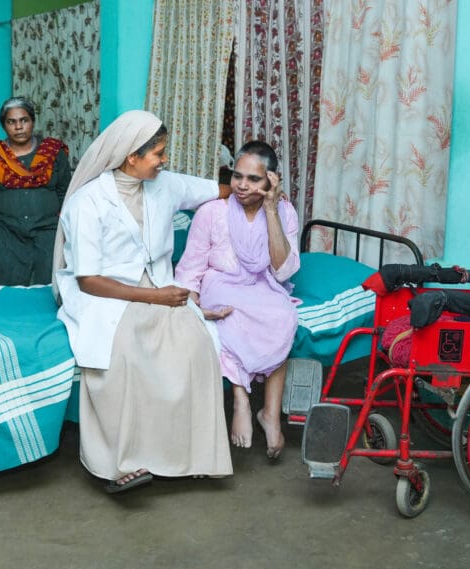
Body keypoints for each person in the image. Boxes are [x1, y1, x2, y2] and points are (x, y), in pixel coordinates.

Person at [54, 110, 234, 493]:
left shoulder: (163, 184)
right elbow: (88, 279)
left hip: (159, 287)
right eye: (158, 153)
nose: (164, 160)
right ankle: (119, 463)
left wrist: (256, 189)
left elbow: (218, 190)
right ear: (130, 156)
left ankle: (191, 455)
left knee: (197, 344)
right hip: (106, 292)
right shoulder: (89, 202)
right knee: (124, 353)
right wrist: (156, 297)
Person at [174, 141, 300, 459]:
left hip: (264, 285)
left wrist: (271, 210)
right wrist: (193, 306)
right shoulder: (211, 213)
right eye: (237, 176)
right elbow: (191, 268)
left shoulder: (284, 211)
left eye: (254, 179)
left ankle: (270, 414)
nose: (242, 185)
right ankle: (241, 399)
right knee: (227, 317)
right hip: (220, 285)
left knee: (283, 317)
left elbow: (283, 272)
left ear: (271, 181)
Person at [0, 97, 71, 287]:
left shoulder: (53, 152)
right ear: (4, 126)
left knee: (53, 263)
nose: (19, 127)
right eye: (12, 122)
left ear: (32, 122)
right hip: (2, 227)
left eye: (24, 120)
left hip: (46, 227)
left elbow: (66, 194)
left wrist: (69, 230)